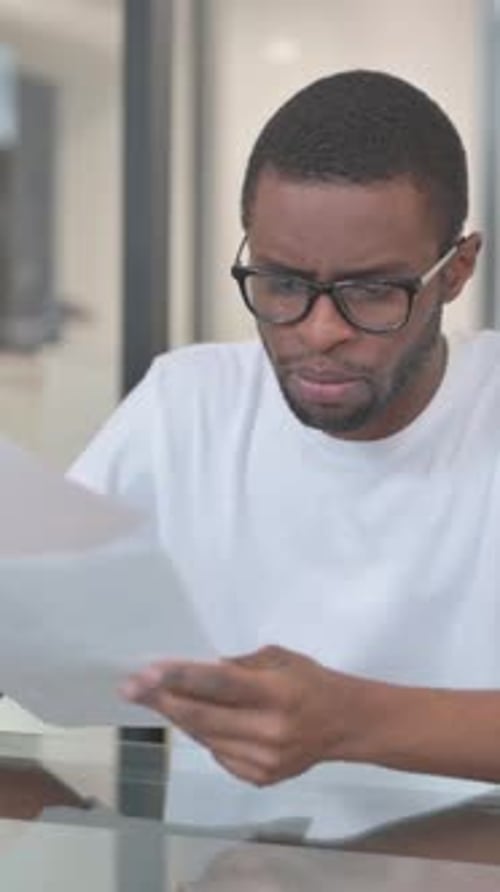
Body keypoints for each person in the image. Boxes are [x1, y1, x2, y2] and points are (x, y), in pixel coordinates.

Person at [70, 69, 500, 839]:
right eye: (281, 282)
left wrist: (351, 721)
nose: (317, 331)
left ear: (456, 270)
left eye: (371, 292)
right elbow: (36, 617)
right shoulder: (188, 405)